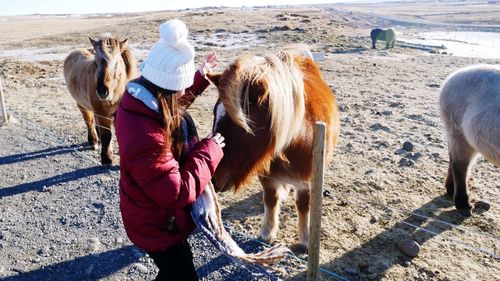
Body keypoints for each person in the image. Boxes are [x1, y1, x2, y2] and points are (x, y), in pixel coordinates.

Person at [115, 19, 224, 281]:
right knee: (182, 273)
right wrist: (209, 151)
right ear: (167, 91)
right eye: (181, 87)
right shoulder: (146, 135)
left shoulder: (142, 102)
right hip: (156, 224)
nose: (183, 92)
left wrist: (198, 78)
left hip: (151, 214)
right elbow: (176, 193)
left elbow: (170, 107)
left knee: (176, 269)